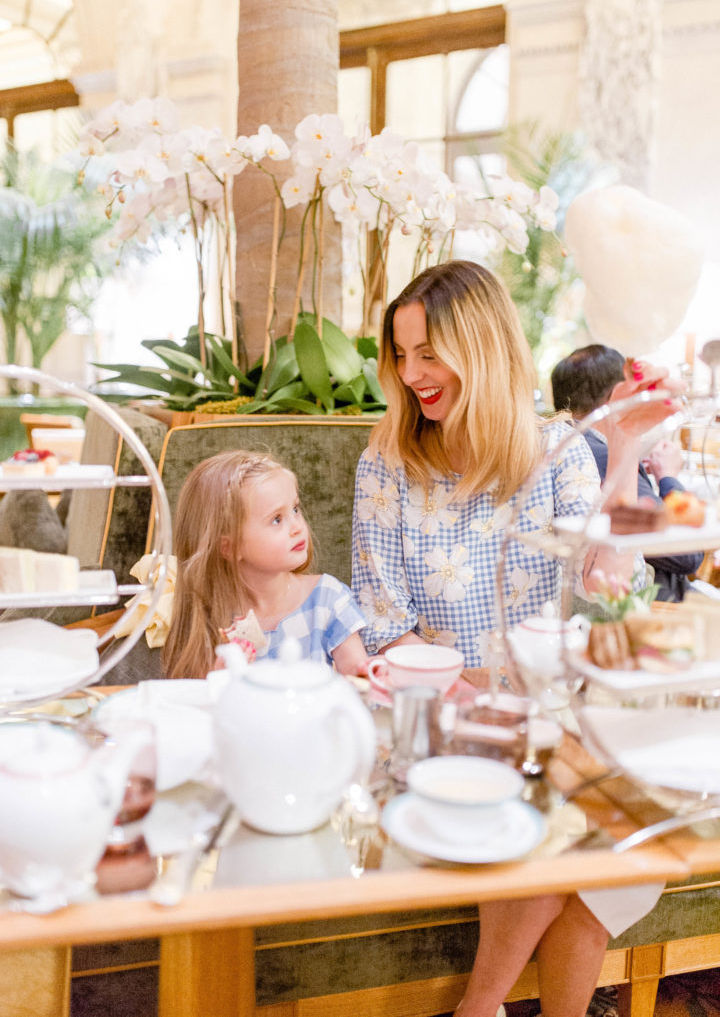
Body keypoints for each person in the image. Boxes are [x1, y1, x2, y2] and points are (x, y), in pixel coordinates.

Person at [351, 260, 682, 1017]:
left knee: (605, 825)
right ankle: (482, 1010)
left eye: (429, 353)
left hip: (555, 702)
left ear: (484, 348)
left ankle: (483, 1010)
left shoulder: (559, 451)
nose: (412, 375)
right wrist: (483, 702)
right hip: (442, 709)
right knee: (577, 823)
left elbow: (606, 581)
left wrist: (626, 454)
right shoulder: (386, 461)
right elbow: (382, 616)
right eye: (401, 355)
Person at [163, 450, 368, 679]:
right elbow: (194, 702)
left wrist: (371, 673)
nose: (297, 527)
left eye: (295, 509)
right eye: (277, 519)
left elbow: (360, 678)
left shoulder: (328, 599)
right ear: (228, 547)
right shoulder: (212, 619)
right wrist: (220, 677)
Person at [551, 343, 703, 601]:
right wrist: (668, 477)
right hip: (653, 611)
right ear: (619, 394)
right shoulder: (601, 454)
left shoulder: (565, 445)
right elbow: (687, 555)